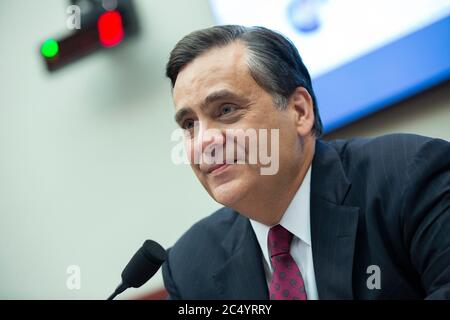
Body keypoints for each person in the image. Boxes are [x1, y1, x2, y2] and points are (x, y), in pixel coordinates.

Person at [162, 25, 450, 299]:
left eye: (226, 109)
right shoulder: (189, 266)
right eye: (189, 124)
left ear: (300, 111)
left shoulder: (409, 176)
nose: (203, 142)